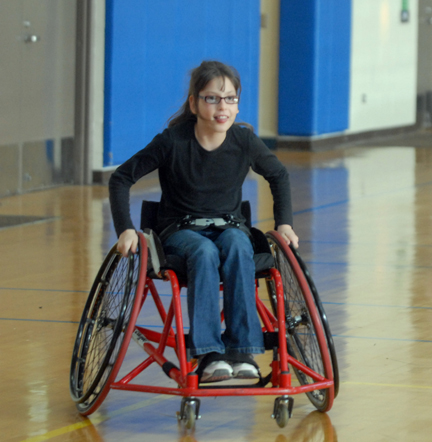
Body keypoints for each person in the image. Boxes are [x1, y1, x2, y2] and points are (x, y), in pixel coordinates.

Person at [108, 60, 299, 383]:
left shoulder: (244, 141)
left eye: (230, 99)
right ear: (194, 103)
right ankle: (209, 353)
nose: (222, 107)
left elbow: (279, 175)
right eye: (212, 98)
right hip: (180, 231)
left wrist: (285, 223)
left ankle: (242, 350)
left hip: (229, 226)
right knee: (204, 252)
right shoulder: (172, 141)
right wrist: (125, 229)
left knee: (239, 244)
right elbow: (121, 178)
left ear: (237, 104)